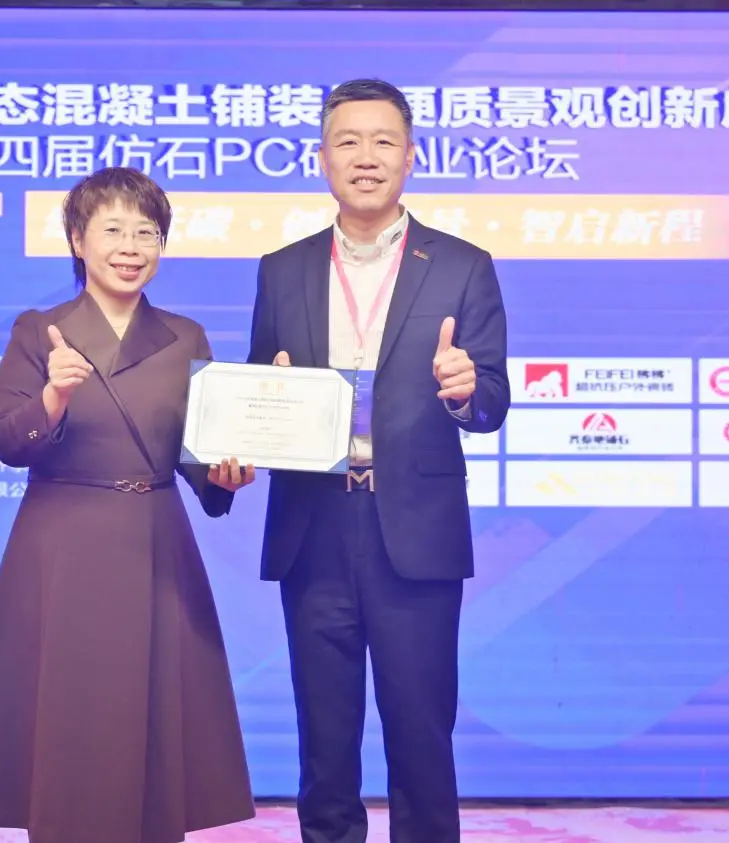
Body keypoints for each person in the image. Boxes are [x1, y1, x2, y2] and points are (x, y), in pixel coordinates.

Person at [0, 167, 257, 843]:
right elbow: (8, 442)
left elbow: (197, 458)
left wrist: (226, 476)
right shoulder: (41, 331)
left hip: (155, 541)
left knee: (154, 721)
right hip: (62, 545)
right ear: (78, 241)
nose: (131, 247)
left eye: (147, 232)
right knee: (67, 717)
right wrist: (54, 396)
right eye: (113, 230)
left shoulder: (185, 336)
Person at [247, 79, 511, 843]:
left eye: (384, 141)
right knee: (324, 741)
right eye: (349, 141)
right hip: (314, 526)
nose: (366, 157)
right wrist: (258, 416)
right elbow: (260, 384)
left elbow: (492, 400)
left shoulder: (463, 265)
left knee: (420, 734)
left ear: (411, 157)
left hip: (416, 529)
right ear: (321, 158)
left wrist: (466, 390)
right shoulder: (282, 268)